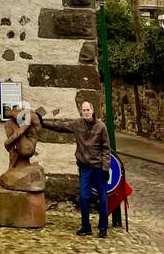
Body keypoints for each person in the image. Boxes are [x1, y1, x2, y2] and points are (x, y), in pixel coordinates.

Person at [38, 100, 112, 238]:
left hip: (98, 168)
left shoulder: (101, 127)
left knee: (102, 199)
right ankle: (86, 227)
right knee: (84, 198)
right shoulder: (77, 124)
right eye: (84, 110)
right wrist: (43, 123)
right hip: (85, 168)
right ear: (81, 112)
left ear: (92, 110)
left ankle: (103, 228)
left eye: (88, 110)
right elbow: (60, 126)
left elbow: (106, 149)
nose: (86, 112)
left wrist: (105, 168)